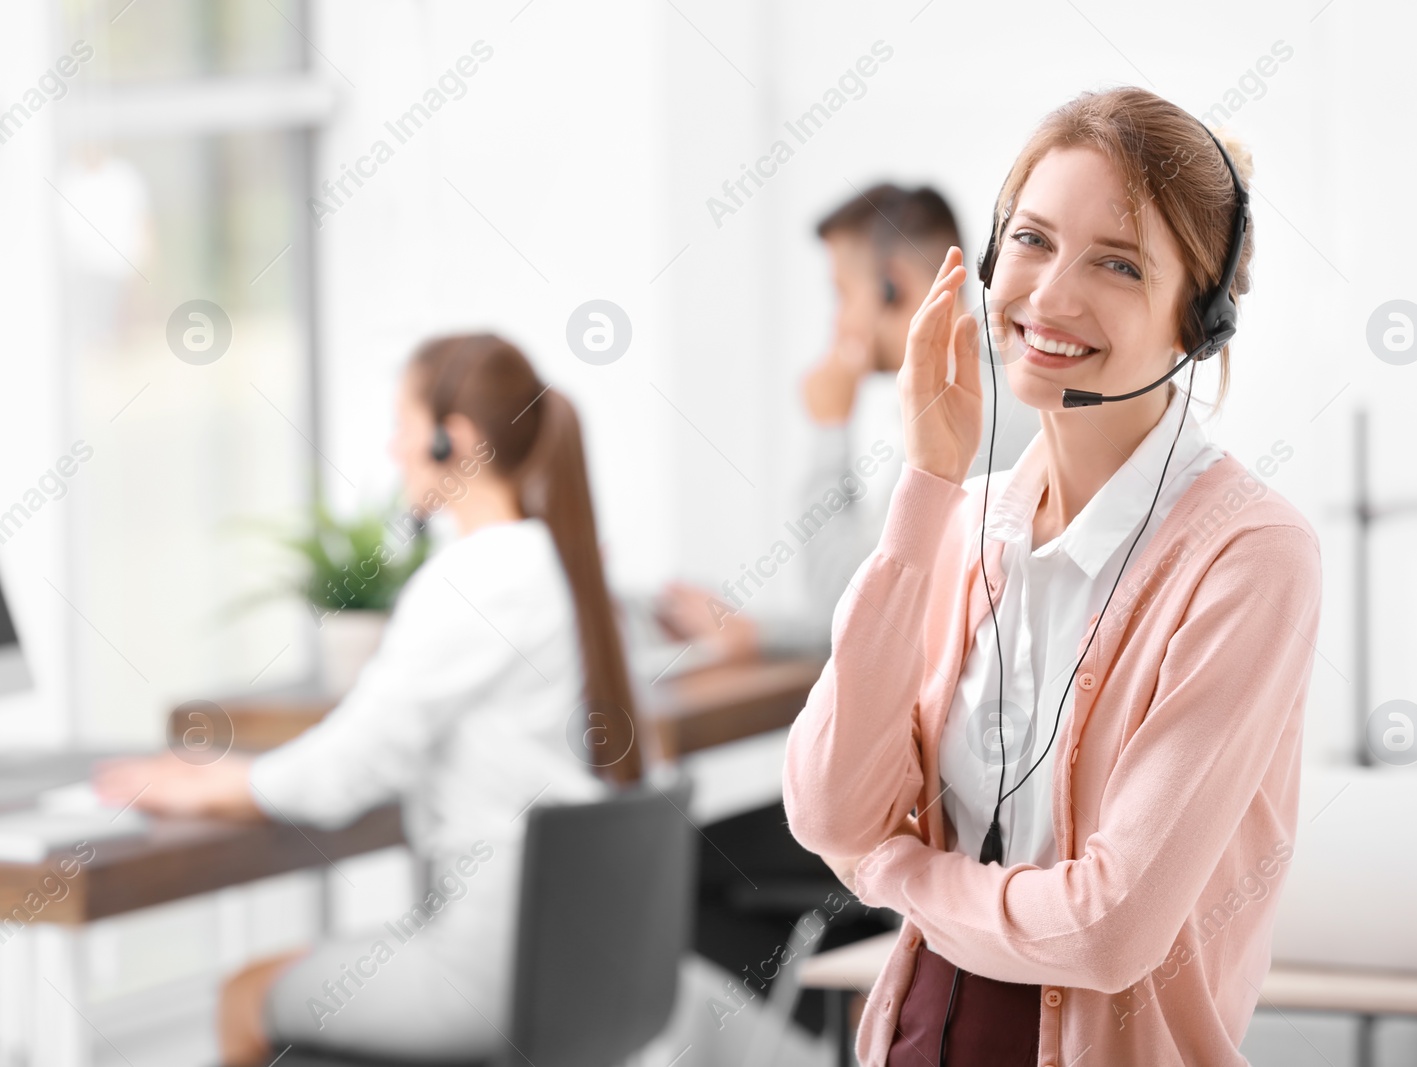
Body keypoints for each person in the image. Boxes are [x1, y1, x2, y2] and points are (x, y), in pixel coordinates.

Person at [782, 87, 1322, 1066]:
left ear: (1195, 322)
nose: (1050, 294)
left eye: (1117, 263)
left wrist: (895, 872)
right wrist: (926, 482)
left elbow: (1109, 928)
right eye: (1030, 240)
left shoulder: (1249, 555)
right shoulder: (962, 517)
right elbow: (825, 804)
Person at [93, 334, 642, 1065]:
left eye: (404, 427)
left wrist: (212, 787)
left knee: (243, 994)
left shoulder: (474, 579)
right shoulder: (558, 564)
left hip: (485, 973)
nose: (393, 450)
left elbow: (352, 765)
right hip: (572, 958)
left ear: (457, 441)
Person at [655, 183, 1038, 665]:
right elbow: (876, 590)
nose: (837, 324)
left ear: (891, 288)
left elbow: (851, 607)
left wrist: (828, 428)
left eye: (841, 293)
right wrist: (758, 633)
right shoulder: (986, 376)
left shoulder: (969, 408)